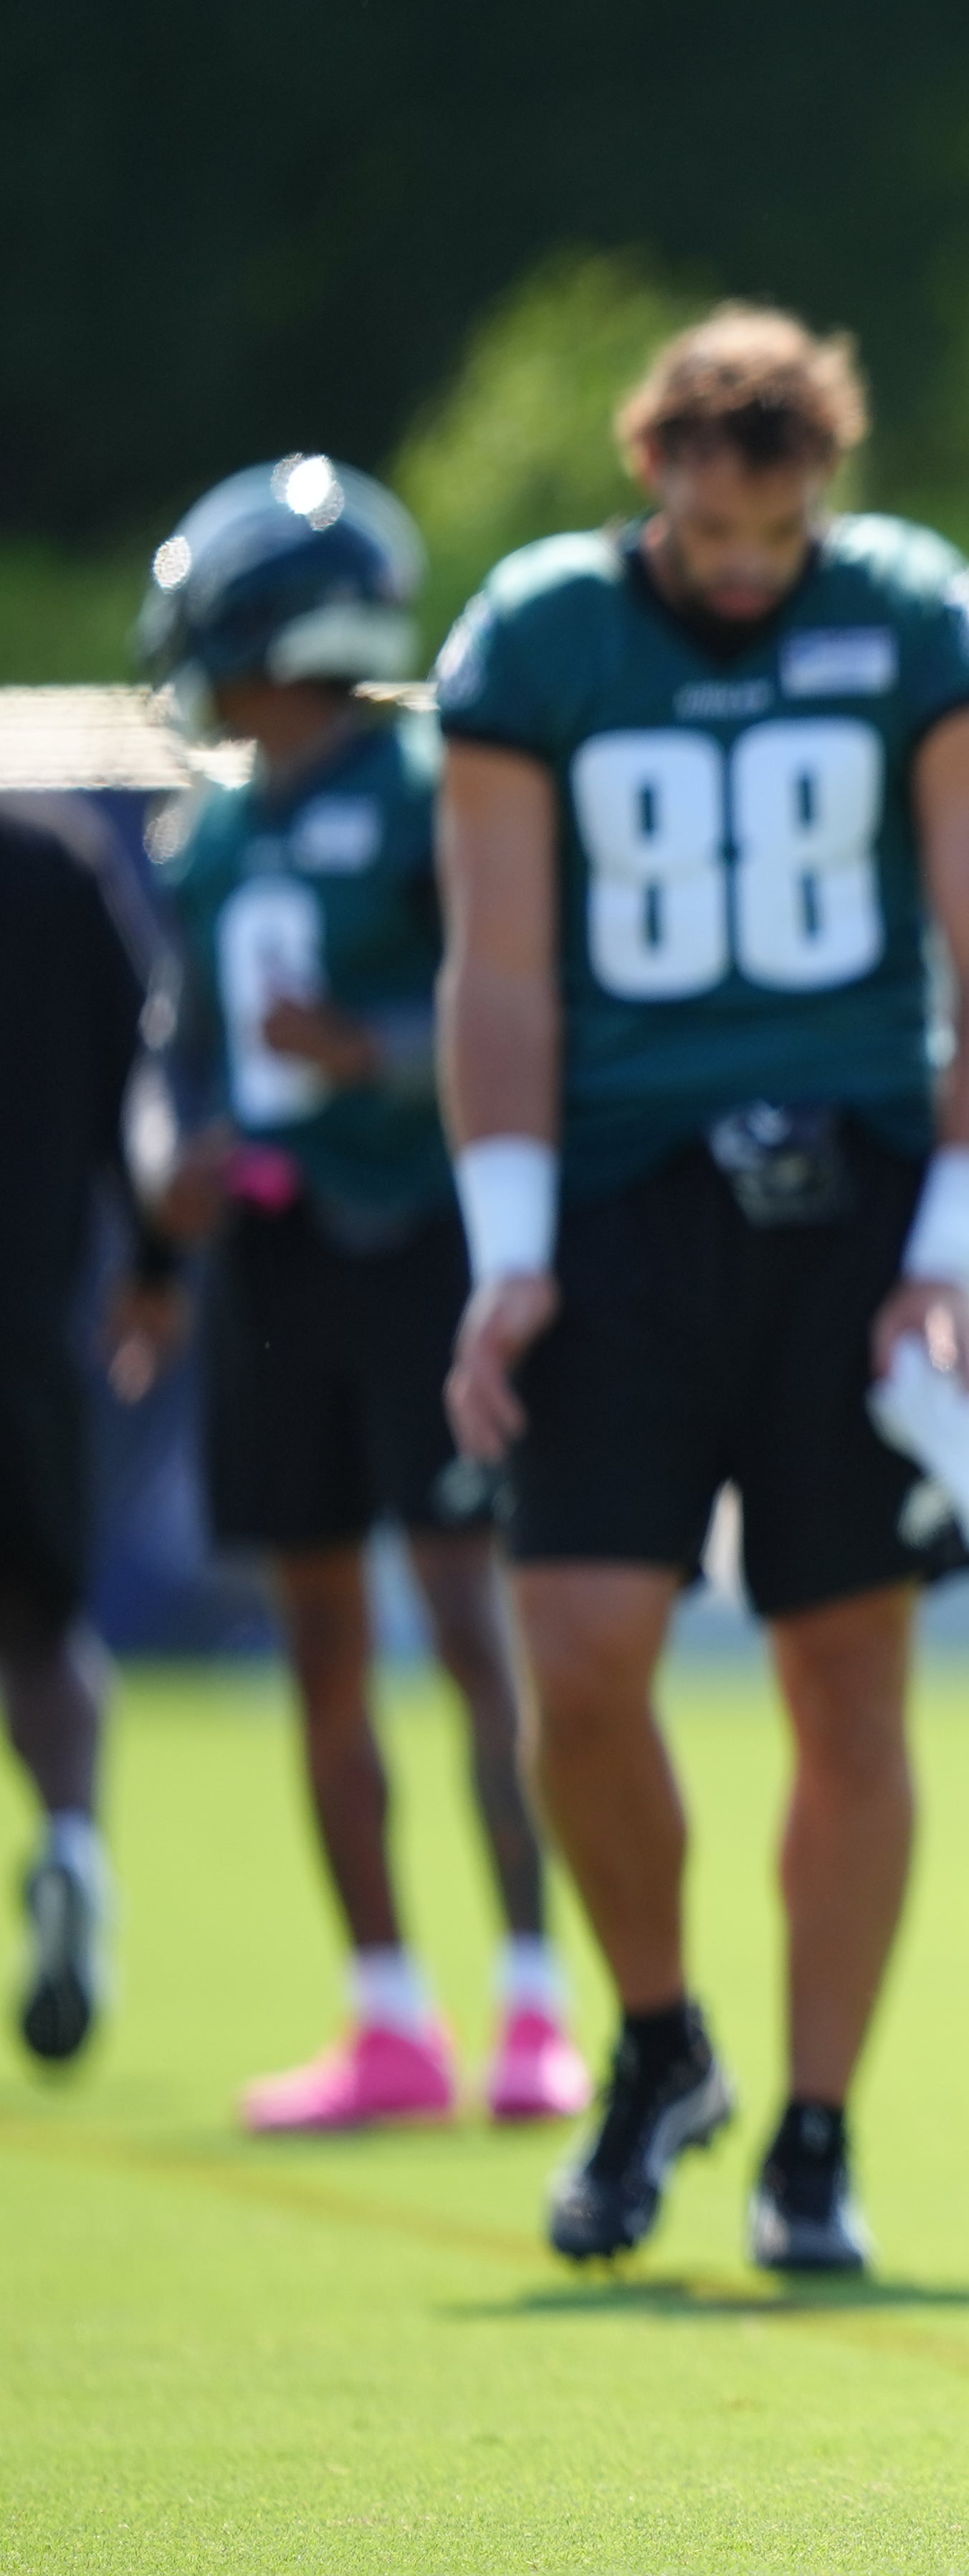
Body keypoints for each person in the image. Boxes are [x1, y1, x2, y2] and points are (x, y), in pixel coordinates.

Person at [431, 306, 969, 2271]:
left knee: (843, 1680)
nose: (741, 573)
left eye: (774, 540)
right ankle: (660, 2040)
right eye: (712, 536)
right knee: (584, 1659)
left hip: (845, 1206)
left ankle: (812, 2129)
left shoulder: (920, 616)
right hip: (617, 1202)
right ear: (654, 478)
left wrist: (949, 1259)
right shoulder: (537, 639)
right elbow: (501, 973)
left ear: (820, 495)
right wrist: (507, 1255)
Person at [132, 455, 591, 2134]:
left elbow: (505, 1004)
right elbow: (183, 1057)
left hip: (418, 1250)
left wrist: (377, 1058)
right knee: (319, 1643)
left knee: (475, 1626)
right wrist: (166, 1205)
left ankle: (536, 2004)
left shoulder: (423, 793)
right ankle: (386, 2008)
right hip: (275, 1265)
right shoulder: (217, 834)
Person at [0, 795, 182, 2074]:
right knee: (44, 1623)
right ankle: (69, 1846)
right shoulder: (56, 862)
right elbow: (145, 1078)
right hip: (26, 1321)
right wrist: (159, 1256)